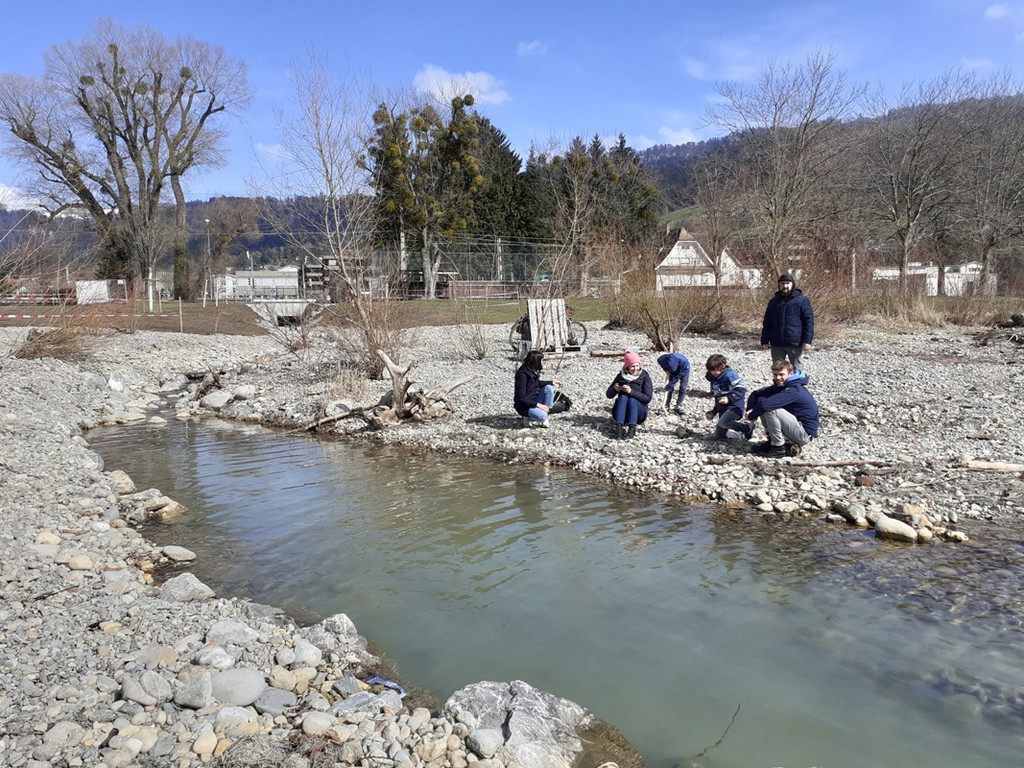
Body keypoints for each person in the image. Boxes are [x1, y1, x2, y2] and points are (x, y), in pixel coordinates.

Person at [745, 360, 820, 458]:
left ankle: (778, 448)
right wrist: (750, 408)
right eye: (775, 374)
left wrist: (752, 415)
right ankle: (772, 440)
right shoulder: (783, 386)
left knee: (771, 409)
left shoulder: (795, 390)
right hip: (793, 426)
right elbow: (755, 394)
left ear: (791, 373)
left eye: (781, 374)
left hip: (804, 434)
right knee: (761, 399)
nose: (777, 378)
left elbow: (766, 406)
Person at [761, 273, 814, 369]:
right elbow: (767, 322)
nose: (785, 286)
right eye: (782, 283)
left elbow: (808, 322)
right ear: (779, 285)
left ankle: (797, 384)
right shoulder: (773, 302)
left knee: (796, 369)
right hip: (776, 342)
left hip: (794, 342)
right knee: (778, 369)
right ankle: (779, 385)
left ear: (792, 284)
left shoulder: (802, 300)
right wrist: (764, 340)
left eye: (787, 283)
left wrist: (807, 340)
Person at [704, 354, 755, 440]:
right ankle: (738, 434)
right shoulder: (714, 378)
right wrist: (714, 411)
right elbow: (719, 398)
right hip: (722, 409)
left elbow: (742, 389)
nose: (713, 373)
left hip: (734, 407)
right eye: (711, 371)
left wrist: (729, 398)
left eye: (715, 370)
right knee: (719, 437)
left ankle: (747, 428)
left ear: (722, 367)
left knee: (723, 423)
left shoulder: (730, 376)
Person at [606, 350, 653, 439]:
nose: (635, 369)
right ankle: (618, 428)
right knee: (623, 397)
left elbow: (647, 398)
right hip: (621, 412)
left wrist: (631, 392)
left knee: (632, 400)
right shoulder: (621, 376)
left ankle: (632, 428)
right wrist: (615, 389)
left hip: (638, 412)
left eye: (637, 366)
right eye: (632, 366)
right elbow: (608, 395)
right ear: (627, 367)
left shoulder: (645, 377)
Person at [513, 350, 563, 428]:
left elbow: (537, 383)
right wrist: (539, 405)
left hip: (534, 399)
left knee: (549, 388)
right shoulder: (522, 375)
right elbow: (521, 398)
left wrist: (552, 382)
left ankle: (544, 414)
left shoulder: (532, 371)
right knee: (542, 416)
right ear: (536, 361)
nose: (543, 362)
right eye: (541, 360)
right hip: (525, 406)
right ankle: (529, 417)